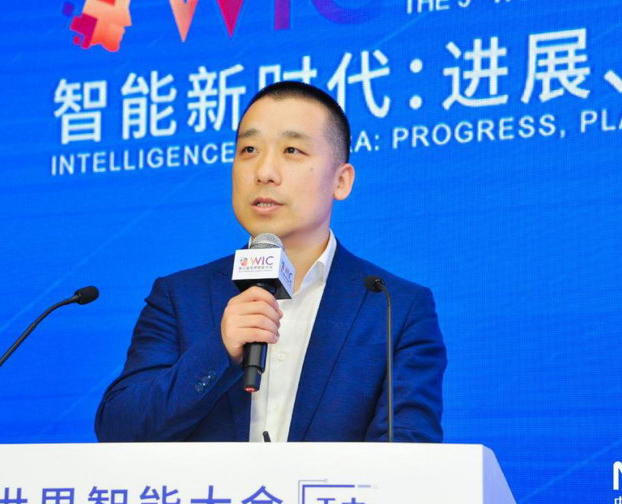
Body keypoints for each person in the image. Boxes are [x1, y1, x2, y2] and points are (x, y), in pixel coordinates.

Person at [95, 81, 446, 442]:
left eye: (292, 150)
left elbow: (410, 453)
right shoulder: (179, 296)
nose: (264, 172)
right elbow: (119, 430)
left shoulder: (394, 307)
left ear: (341, 181)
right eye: (249, 149)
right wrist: (218, 350)